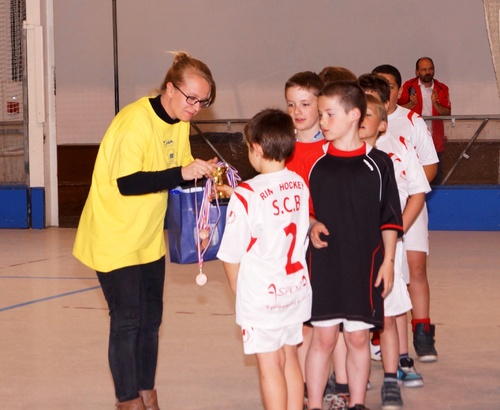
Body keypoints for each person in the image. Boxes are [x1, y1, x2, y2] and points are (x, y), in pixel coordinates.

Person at [73, 51, 217, 410]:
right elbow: (127, 182)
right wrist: (182, 174)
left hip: (148, 237)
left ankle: (147, 393)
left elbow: (178, 174)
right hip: (113, 235)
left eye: (203, 101)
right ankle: (127, 401)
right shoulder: (134, 121)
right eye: (192, 98)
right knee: (127, 320)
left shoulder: (180, 122)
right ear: (170, 89)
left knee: (152, 319)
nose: (196, 107)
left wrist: (203, 191)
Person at [300, 81, 403, 410]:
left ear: (354, 115)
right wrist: (312, 225)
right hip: (325, 266)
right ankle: (314, 404)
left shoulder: (380, 164)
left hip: (365, 266)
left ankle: (357, 403)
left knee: (358, 338)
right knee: (324, 338)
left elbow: (389, 219)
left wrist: (388, 262)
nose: (322, 121)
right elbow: (305, 211)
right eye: (320, 115)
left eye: (329, 114)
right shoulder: (316, 163)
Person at [217, 108, 312, 410]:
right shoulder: (298, 183)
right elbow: (272, 205)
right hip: (295, 291)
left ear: (256, 148)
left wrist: (239, 292)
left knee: (269, 365)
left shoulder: (246, 195)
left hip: (263, 296)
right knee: (290, 358)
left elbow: (231, 255)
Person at [359, 92, 431, 409]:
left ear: (383, 124)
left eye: (368, 117)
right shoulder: (335, 156)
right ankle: (349, 376)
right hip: (352, 249)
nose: (361, 123)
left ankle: (397, 367)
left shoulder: (393, 154)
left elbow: (416, 191)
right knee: (352, 321)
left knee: (391, 309)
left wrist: (396, 228)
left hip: (390, 243)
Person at [372, 64, 439, 364]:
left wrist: (408, 198)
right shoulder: (364, 122)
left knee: (415, 271)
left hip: (409, 208)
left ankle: (422, 332)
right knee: (385, 275)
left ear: (399, 89)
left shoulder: (411, 121)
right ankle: (381, 336)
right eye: (378, 84)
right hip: (380, 214)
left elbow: (429, 165)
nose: (384, 90)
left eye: (389, 85)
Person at [398, 57, 451, 184]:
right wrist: (410, 105)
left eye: (430, 69)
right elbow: (397, 110)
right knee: (413, 178)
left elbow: (447, 113)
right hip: (412, 141)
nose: (428, 72)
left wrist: (436, 103)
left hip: (435, 140)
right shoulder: (407, 86)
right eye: (424, 69)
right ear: (417, 72)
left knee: (435, 179)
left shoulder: (442, 88)